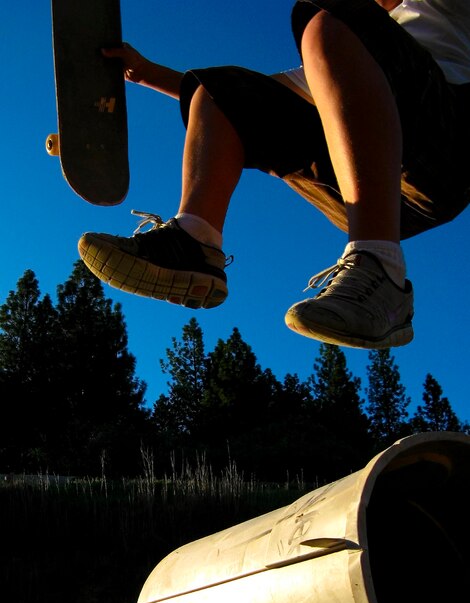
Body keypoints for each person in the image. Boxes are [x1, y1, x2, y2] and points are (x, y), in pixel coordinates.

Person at [78, 0, 470, 349]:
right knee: (220, 92)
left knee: (328, 22)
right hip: (371, 186)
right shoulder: (349, 50)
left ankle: (381, 268)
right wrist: (145, 73)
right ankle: (194, 243)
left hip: (448, 140)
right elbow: (258, 101)